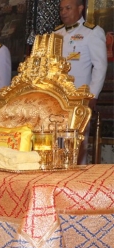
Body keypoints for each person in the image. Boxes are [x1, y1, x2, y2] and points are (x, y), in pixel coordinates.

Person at [54, 0, 107, 164]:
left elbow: (100, 65)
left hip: (78, 98)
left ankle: (77, 181)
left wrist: (92, 95)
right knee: (58, 142)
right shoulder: (57, 33)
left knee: (78, 144)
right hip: (57, 98)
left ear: (81, 8)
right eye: (61, 9)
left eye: (68, 8)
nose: (63, 12)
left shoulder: (92, 32)